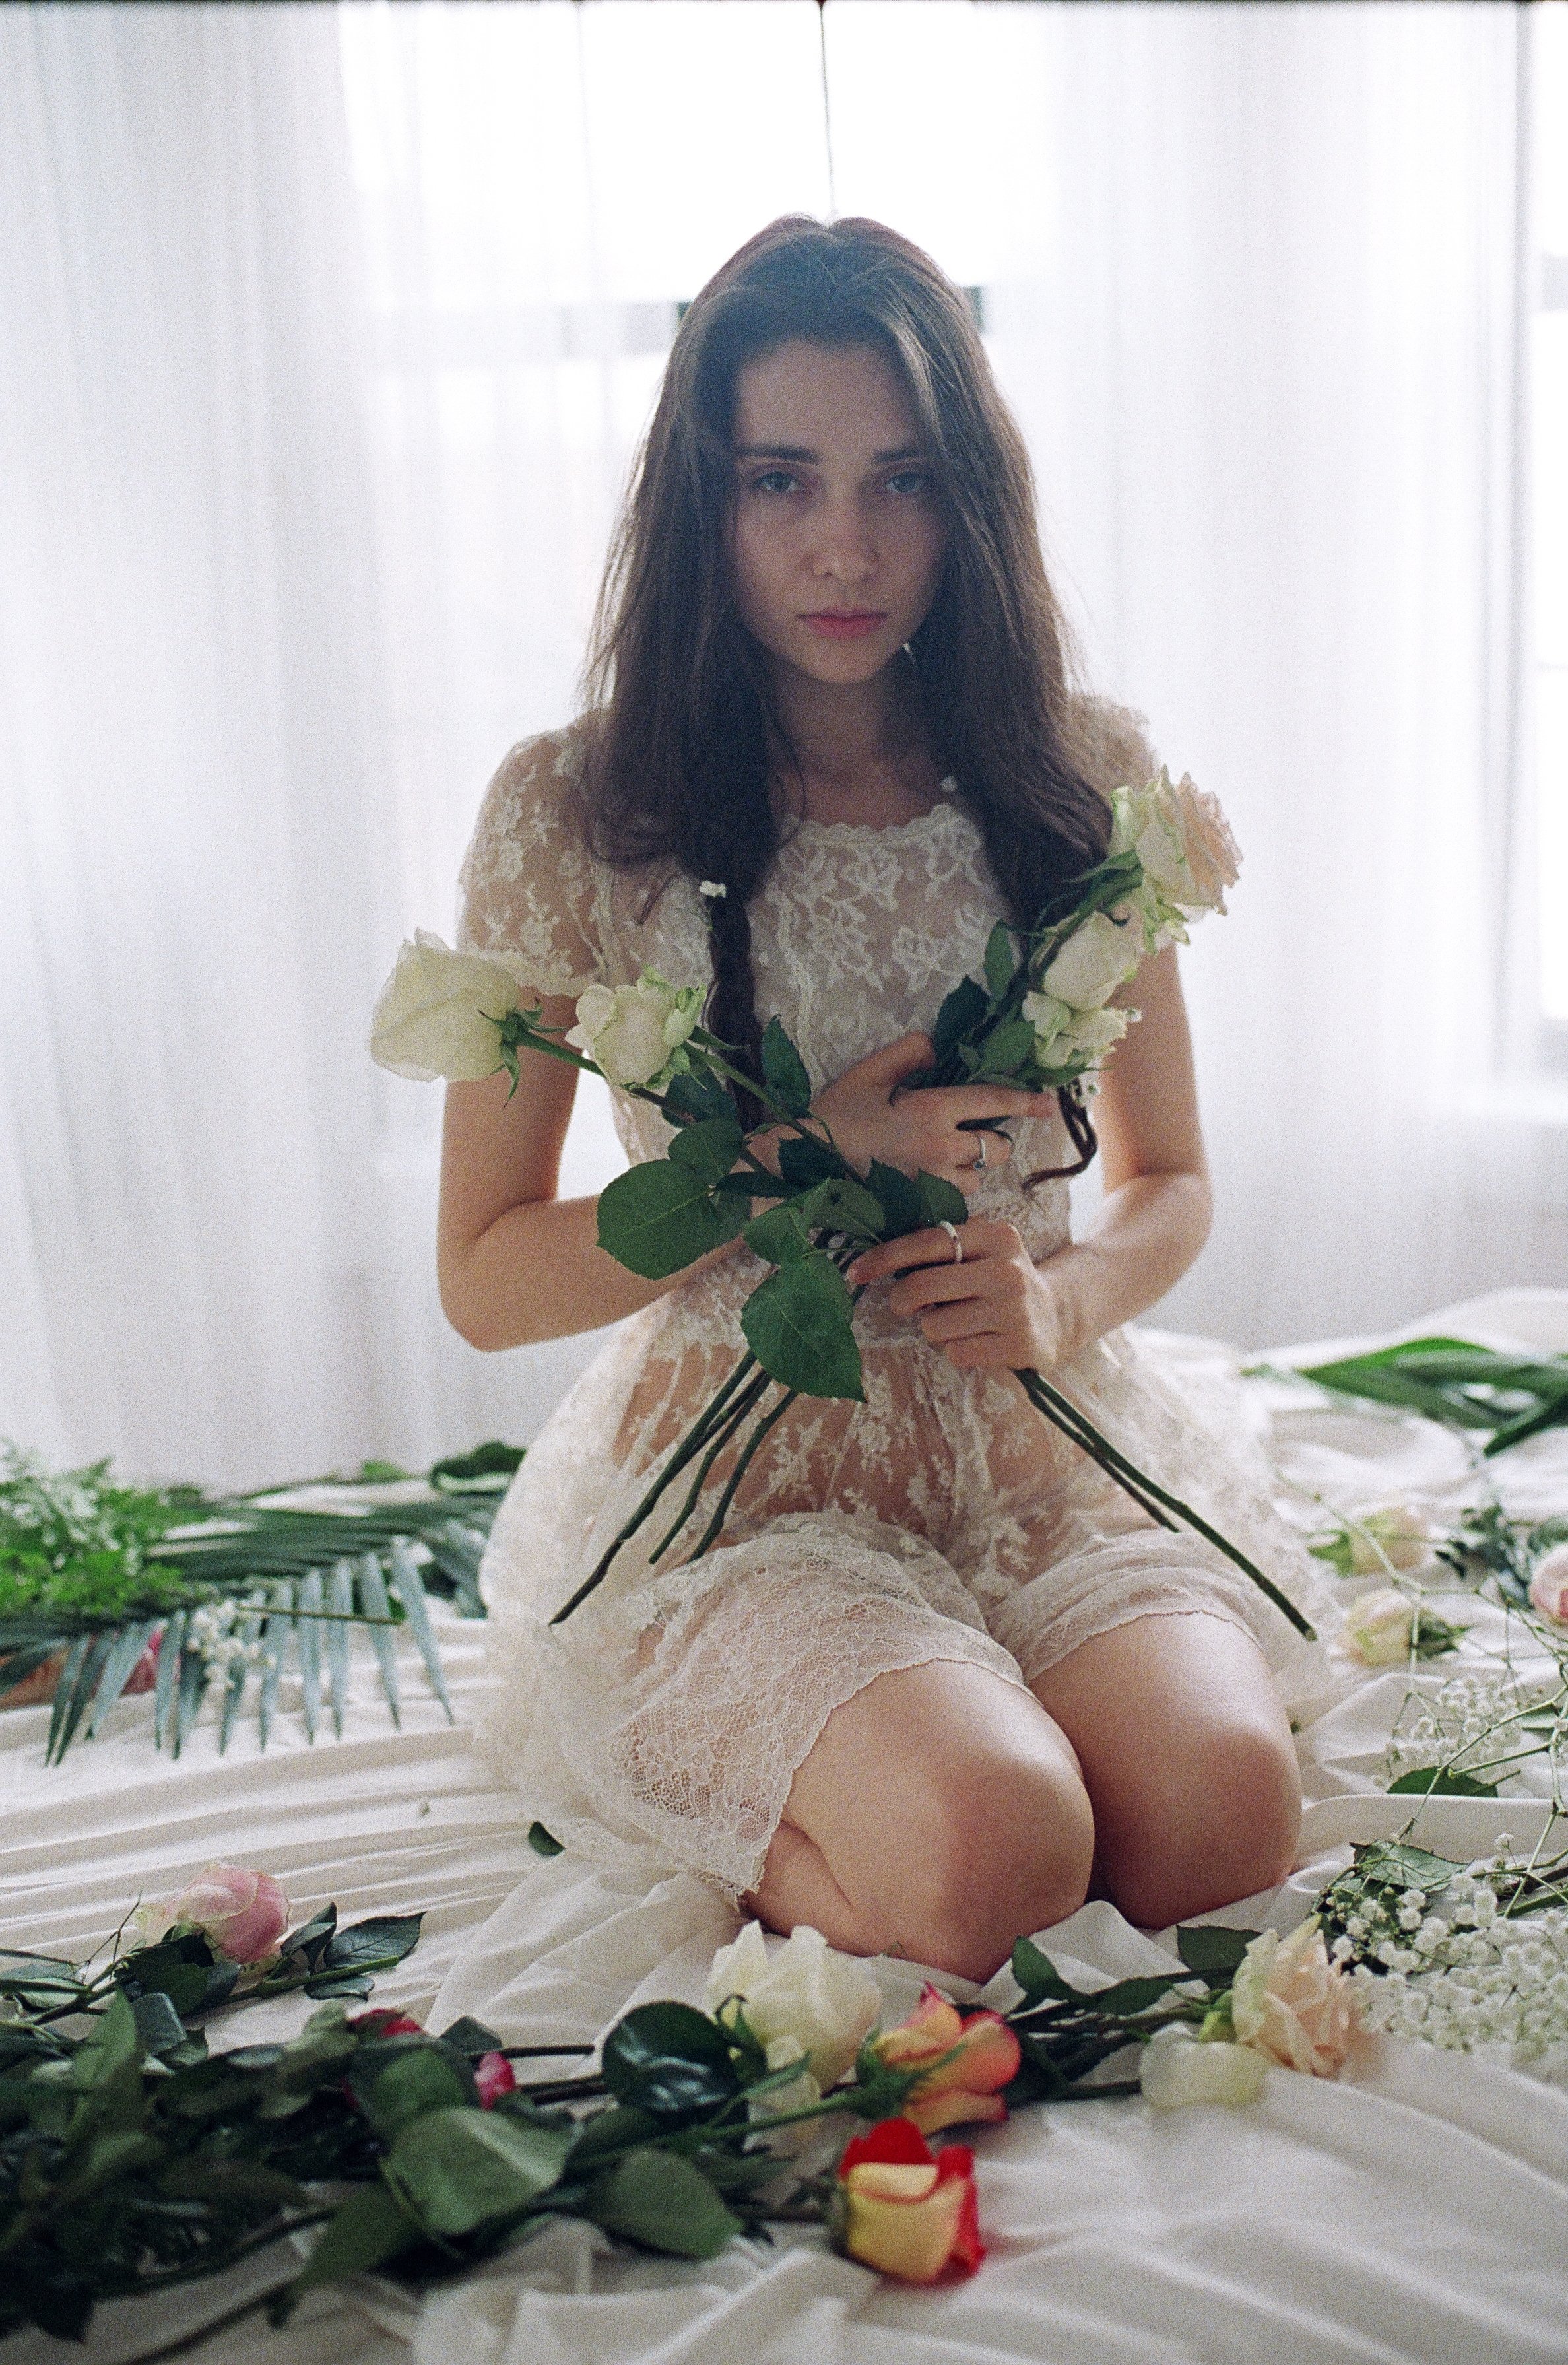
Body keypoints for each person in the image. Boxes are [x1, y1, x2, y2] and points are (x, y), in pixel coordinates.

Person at [438, 217, 1326, 1983]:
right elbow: (484, 1278)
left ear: (970, 501)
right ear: (704, 501)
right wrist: (797, 1158)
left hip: (1029, 1452)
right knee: (1004, 1843)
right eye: (783, 480)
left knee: (1228, 1813)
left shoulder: (1080, 780)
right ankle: (841, 1803)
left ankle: (965, 1752)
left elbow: (1176, 1181)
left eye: (902, 481)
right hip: (749, 1487)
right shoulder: (577, 813)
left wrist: (1063, 1293)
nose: (846, 546)